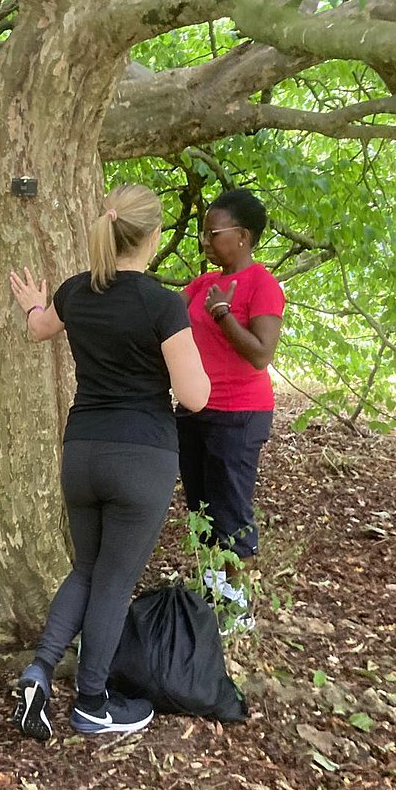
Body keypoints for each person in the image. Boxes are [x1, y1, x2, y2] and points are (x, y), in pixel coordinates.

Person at [8, 184, 210, 739]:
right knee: (115, 580)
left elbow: (37, 329)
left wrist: (31, 301)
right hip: (140, 456)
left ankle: (41, 669)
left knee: (87, 568)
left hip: (82, 451)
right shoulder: (162, 304)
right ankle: (92, 703)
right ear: (152, 236)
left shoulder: (76, 292)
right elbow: (195, 396)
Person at [176, 189, 285, 623]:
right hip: (195, 409)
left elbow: (261, 354)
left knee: (230, 507)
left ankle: (236, 607)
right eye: (203, 232)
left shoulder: (262, 285)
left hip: (239, 413)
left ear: (241, 235)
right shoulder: (202, 284)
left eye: (212, 232)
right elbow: (168, 316)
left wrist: (224, 315)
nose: (204, 240)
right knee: (200, 504)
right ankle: (210, 592)